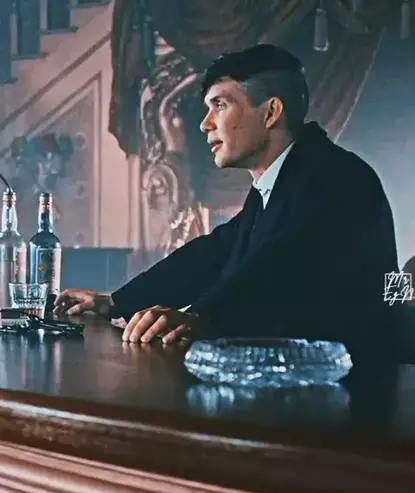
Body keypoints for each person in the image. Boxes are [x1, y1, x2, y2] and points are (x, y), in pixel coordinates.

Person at [55, 44, 399, 358]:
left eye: (220, 105)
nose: (205, 124)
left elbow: (278, 270)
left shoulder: (335, 177)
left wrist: (202, 318)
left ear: (271, 112)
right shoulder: (285, 180)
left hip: (353, 392)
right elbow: (214, 255)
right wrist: (116, 301)